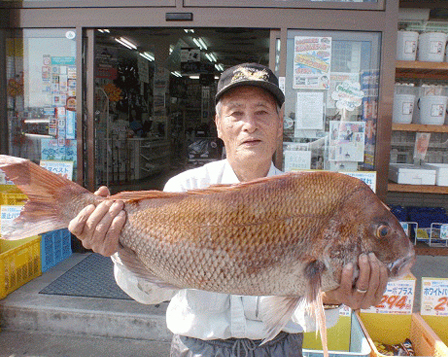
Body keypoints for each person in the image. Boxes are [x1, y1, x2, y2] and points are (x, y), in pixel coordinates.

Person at [69, 63, 388, 357]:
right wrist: (118, 249)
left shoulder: (311, 200)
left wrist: (334, 296)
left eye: (262, 112)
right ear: (219, 126)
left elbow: (304, 306)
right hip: (197, 347)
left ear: (279, 125)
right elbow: (151, 293)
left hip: (281, 346)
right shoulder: (184, 190)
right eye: (236, 113)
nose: (250, 125)